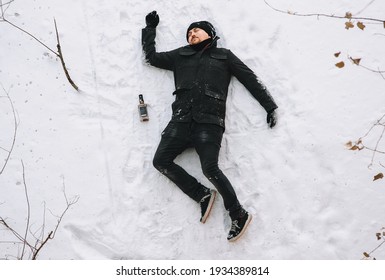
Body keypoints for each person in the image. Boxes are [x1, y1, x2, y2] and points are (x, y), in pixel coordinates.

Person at [142, 11, 278, 242]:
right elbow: (151, 58)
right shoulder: (180, 56)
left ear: (210, 34)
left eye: (196, 29)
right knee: (160, 161)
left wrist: (269, 106)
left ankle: (238, 214)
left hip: (209, 121)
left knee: (210, 169)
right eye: (189, 32)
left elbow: (249, 78)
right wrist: (150, 30)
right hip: (181, 120)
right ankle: (202, 194)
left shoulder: (224, 56)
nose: (192, 33)